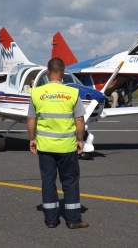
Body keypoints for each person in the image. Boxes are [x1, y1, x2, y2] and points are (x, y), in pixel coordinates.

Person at [27, 58, 89, 229]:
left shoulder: (37, 93)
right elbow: (79, 120)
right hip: (67, 146)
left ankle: (51, 220)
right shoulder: (72, 93)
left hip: (45, 146)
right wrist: (80, 140)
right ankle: (73, 220)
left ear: (48, 71)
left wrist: (32, 139)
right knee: (69, 182)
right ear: (63, 72)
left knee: (48, 181)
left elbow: (31, 119)